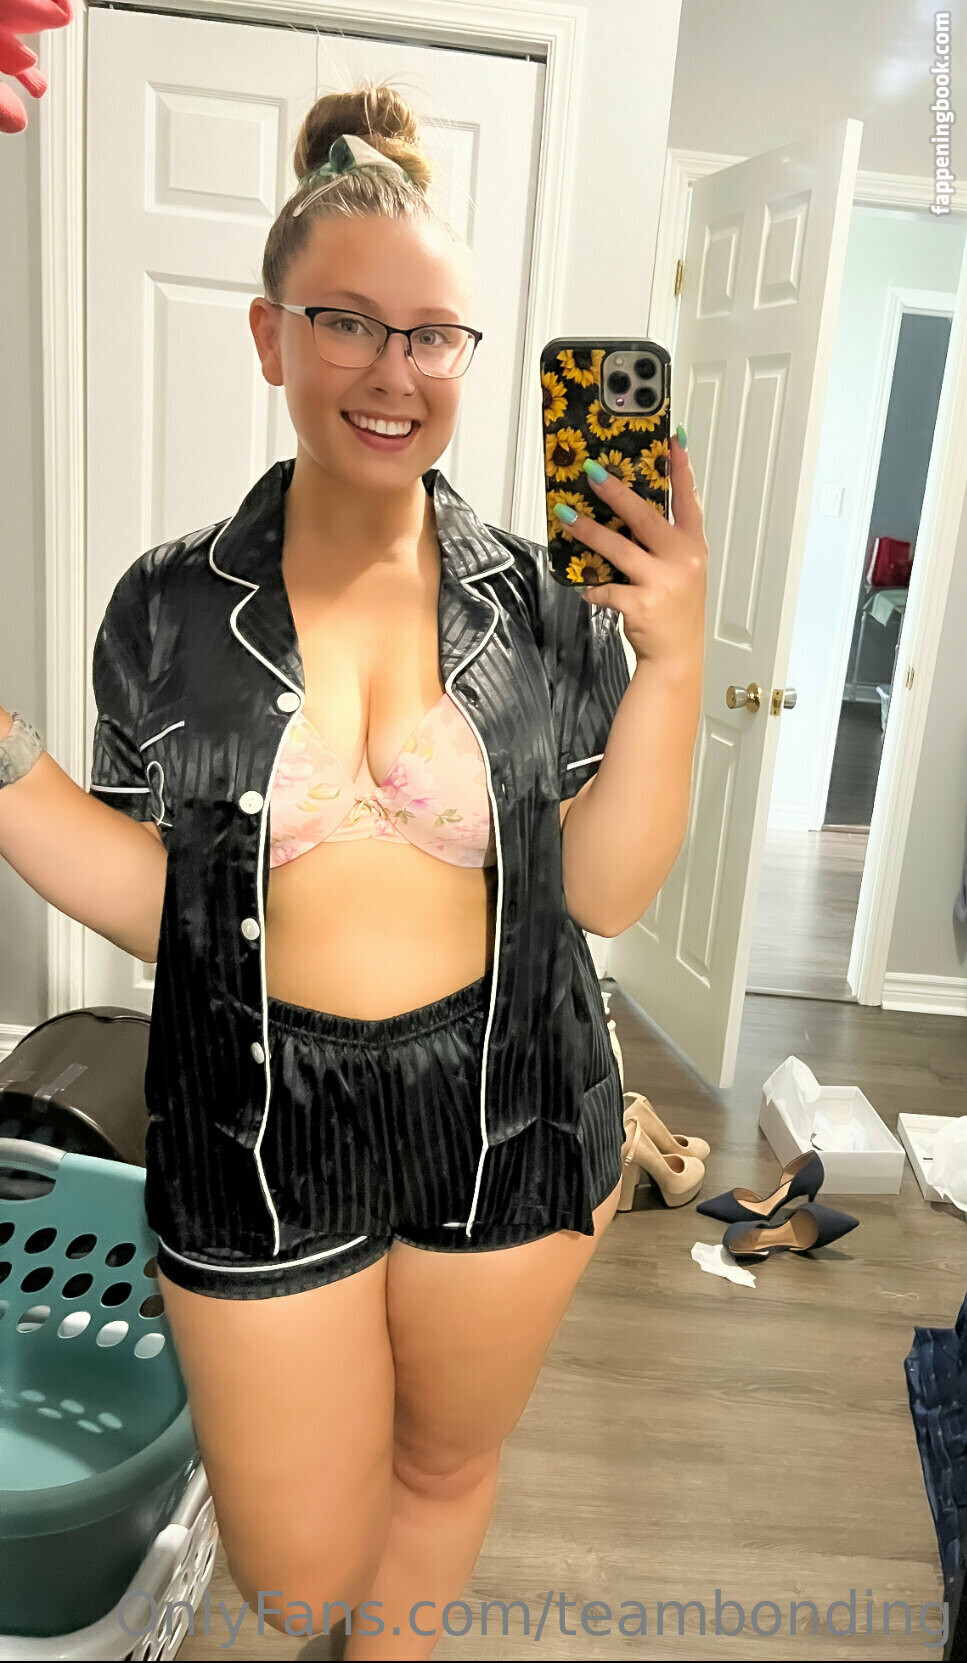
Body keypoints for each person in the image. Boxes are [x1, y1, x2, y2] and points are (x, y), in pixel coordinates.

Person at [0, 83, 707, 1661]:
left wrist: (672, 664)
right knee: (296, 1575)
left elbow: (605, 895)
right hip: (256, 1116)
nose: (395, 372)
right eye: (348, 324)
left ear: (468, 356)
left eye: (433, 335)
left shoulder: (542, 604)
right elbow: (164, 902)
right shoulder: (167, 609)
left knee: (443, 1468)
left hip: (513, 1097)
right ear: (271, 337)